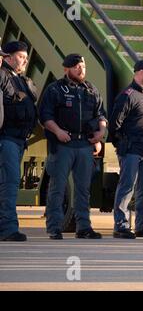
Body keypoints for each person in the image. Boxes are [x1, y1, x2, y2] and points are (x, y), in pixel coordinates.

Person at [39, 54, 106, 240]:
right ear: (66, 69)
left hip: (85, 144)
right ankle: (54, 227)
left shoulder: (90, 89)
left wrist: (100, 133)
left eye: (83, 66)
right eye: (76, 66)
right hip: (62, 145)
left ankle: (84, 227)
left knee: (83, 189)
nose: (81, 69)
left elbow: (101, 114)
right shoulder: (55, 90)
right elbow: (45, 116)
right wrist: (58, 131)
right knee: (57, 187)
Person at [109, 60, 143, 239]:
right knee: (127, 187)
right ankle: (121, 225)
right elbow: (115, 124)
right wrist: (122, 144)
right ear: (139, 73)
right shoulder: (127, 95)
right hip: (131, 148)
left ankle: (142, 225)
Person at [0, 41, 37, 242]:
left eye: (25, 57)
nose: (25, 60)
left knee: (8, 182)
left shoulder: (21, 80)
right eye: (21, 56)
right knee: (10, 182)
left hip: (19, 139)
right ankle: (8, 228)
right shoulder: (2, 76)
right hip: (7, 137)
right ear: (8, 57)